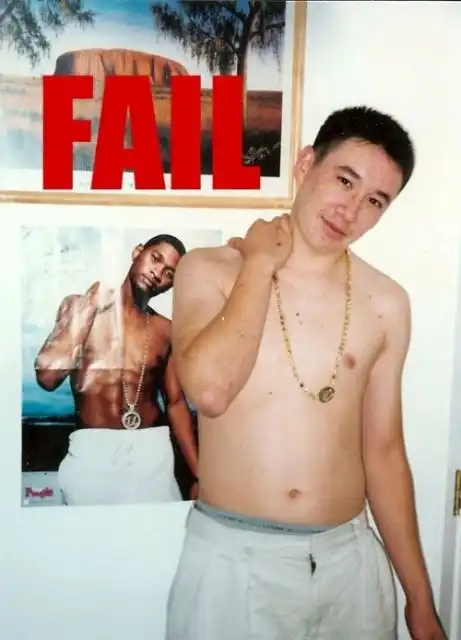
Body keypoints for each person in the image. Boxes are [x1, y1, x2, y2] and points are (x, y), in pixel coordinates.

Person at [166, 107, 446, 639]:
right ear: (304, 164)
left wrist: (419, 600)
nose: (350, 210)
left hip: (349, 564)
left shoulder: (386, 303)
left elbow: (384, 453)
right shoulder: (210, 269)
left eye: (375, 201)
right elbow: (209, 390)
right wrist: (258, 265)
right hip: (232, 560)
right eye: (345, 180)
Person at [34, 233, 199, 506]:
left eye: (169, 273)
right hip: (91, 449)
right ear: (137, 252)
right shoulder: (79, 305)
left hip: (152, 452)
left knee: (158, 533)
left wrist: (198, 475)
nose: (157, 273)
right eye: (155, 258)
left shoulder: (166, 330)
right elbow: (48, 378)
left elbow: (176, 403)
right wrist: (88, 309)